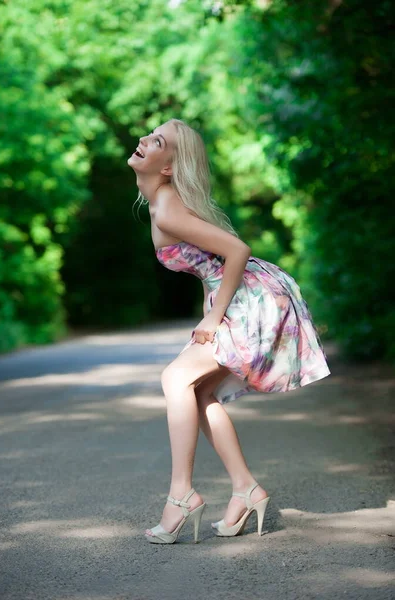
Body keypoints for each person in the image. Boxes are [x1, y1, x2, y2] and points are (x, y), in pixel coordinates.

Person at [127, 118, 331, 544]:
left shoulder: (166, 205)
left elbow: (237, 251)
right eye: (149, 135)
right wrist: (209, 311)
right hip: (246, 296)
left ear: (168, 167)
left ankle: (181, 495)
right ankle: (245, 489)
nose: (144, 140)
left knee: (174, 378)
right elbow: (211, 266)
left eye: (157, 140)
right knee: (198, 391)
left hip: (254, 298)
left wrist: (213, 318)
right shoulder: (162, 202)